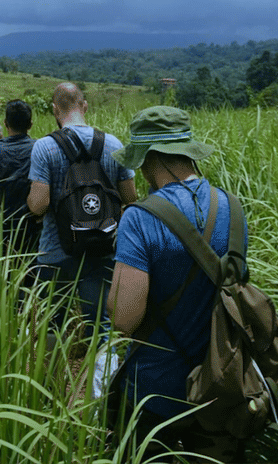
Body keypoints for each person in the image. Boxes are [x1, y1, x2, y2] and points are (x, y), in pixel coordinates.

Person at [107, 105, 250, 463]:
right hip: (222, 380)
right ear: (186, 152)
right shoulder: (232, 206)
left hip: (154, 389)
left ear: (149, 158)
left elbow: (125, 318)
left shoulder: (139, 219)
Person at [26, 82, 137, 334]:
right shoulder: (113, 144)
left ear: (55, 110)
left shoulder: (44, 147)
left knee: (52, 324)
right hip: (102, 247)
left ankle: (54, 370)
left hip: (56, 251)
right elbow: (130, 197)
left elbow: (39, 205)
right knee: (99, 324)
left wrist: (31, 202)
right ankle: (100, 370)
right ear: (84, 106)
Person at [0, 99, 40, 254]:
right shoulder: (41, 148)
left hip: (1, 229)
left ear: (5, 123)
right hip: (35, 228)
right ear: (30, 124)